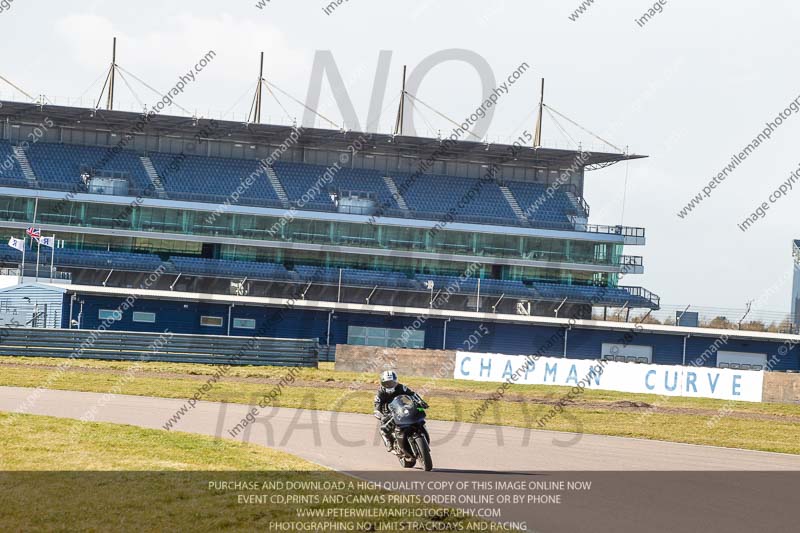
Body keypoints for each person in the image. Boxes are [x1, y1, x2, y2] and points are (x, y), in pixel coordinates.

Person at [373, 370, 423, 451]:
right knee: (384, 429)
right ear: (382, 383)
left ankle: (421, 429)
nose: (389, 385)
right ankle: (389, 441)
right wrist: (380, 415)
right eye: (387, 383)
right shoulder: (380, 393)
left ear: (396, 381)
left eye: (392, 383)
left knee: (417, 414)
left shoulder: (401, 387)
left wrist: (420, 401)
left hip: (402, 409)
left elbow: (412, 394)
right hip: (389, 413)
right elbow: (377, 407)